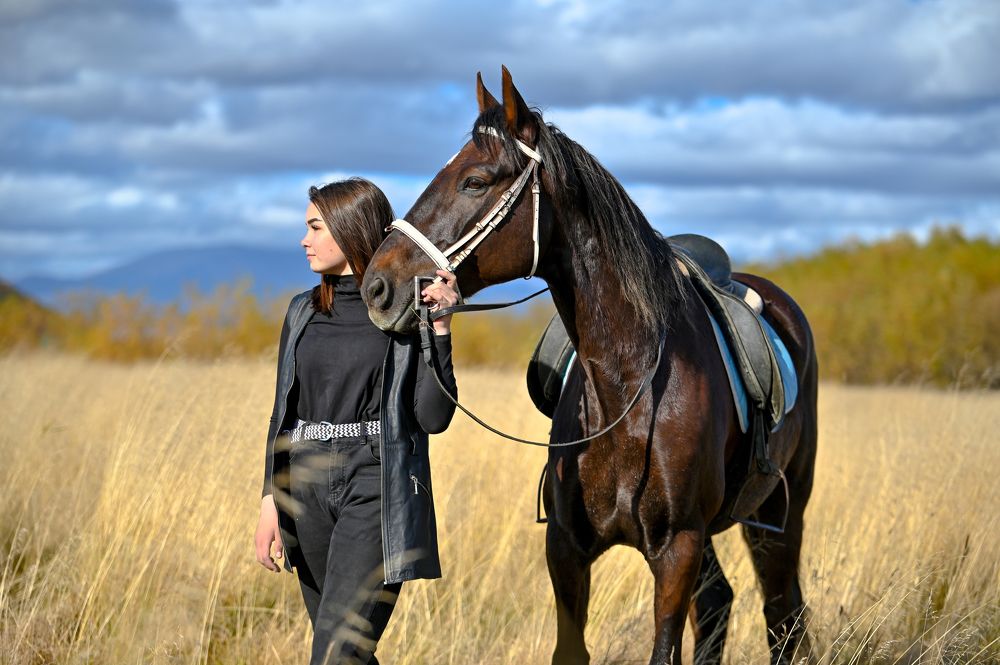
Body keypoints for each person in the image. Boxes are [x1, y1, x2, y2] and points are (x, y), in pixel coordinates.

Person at [253, 177, 460, 665]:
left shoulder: (403, 312)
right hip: (302, 486)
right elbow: (282, 412)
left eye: (315, 227)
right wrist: (269, 499)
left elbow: (433, 416)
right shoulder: (301, 311)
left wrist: (442, 329)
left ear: (350, 229)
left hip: (376, 482)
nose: (304, 240)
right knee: (347, 651)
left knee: (337, 652)